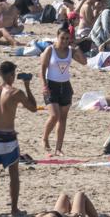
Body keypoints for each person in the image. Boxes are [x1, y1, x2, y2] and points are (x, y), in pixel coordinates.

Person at [0, 61, 37, 217]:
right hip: (8, 139)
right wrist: (27, 86)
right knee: (14, 175)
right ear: (12, 75)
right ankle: (14, 209)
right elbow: (33, 108)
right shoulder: (16, 92)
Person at [39, 27, 84, 156]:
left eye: (67, 38)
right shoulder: (50, 50)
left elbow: (84, 62)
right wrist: (44, 85)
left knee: (63, 118)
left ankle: (58, 149)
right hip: (51, 85)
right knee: (54, 115)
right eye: (62, 38)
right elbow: (42, 68)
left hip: (65, 86)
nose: (64, 41)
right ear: (57, 37)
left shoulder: (70, 51)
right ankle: (45, 138)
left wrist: (77, 48)